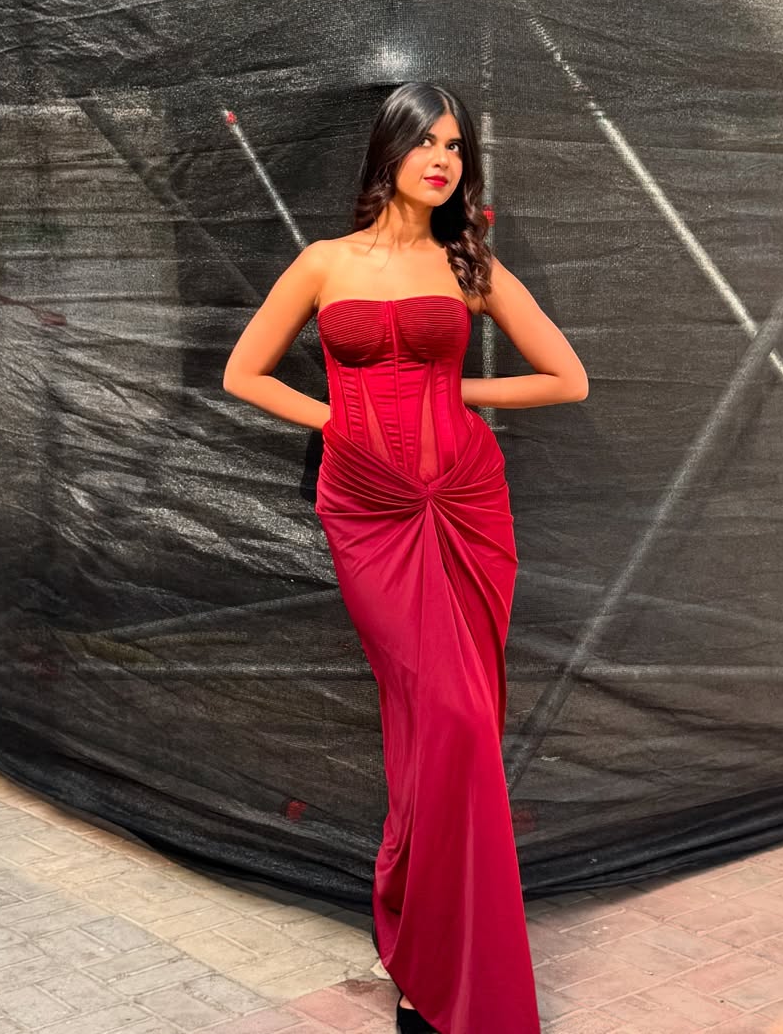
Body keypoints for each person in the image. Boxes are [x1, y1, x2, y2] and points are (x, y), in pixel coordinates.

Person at [223, 80, 588, 1033]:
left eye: (457, 146)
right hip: (370, 512)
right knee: (435, 718)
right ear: (388, 151)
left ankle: (434, 969)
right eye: (426, 141)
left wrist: (459, 393)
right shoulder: (324, 262)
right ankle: (422, 940)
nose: (442, 159)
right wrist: (336, 421)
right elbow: (243, 371)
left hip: (464, 504)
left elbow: (568, 377)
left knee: (455, 727)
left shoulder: (468, 265)